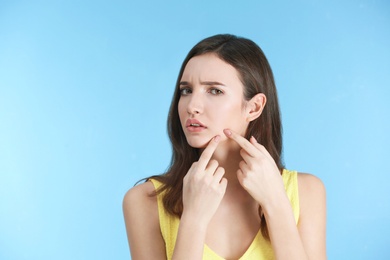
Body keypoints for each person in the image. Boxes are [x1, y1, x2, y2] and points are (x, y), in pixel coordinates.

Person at [123, 34, 326, 260]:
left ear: (254, 107)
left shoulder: (306, 192)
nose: (192, 106)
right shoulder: (144, 201)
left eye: (215, 91)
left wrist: (276, 203)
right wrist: (193, 220)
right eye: (186, 90)